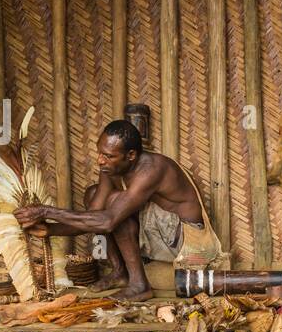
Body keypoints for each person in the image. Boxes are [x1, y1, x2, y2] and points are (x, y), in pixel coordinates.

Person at [15, 120, 224, 300]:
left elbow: (107, 221)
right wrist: (51, 230)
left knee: (114, 206)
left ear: (131, 155)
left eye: (108, 155)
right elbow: (94, 215)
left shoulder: (152, 169)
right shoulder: (112, 167)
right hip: (158, 235)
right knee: (94, 194)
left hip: (187, 242)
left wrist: (46, 212)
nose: (100, 160)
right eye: (99, 152)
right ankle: (120, 272)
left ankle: (139, 286)